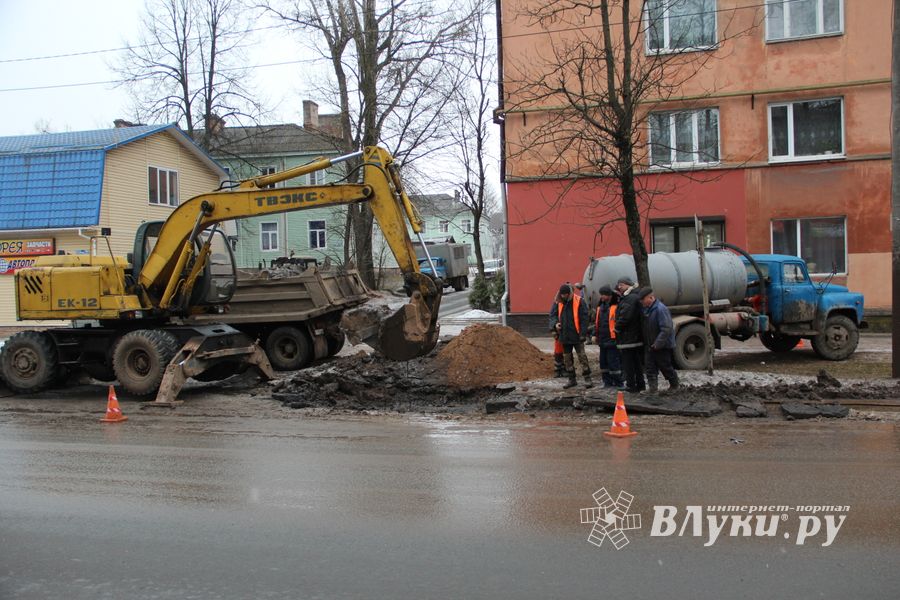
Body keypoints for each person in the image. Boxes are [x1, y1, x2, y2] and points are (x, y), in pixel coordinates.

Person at [549, 284, 593, 389]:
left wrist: (583, 334)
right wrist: (555, 324)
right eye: (562, 294)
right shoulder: (558, 302)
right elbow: (553, 315)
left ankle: (587, 378)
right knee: (567, 359)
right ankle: (571, 379)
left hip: (577, 335)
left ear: (569, 293)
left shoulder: (579, 301)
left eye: (565, 294)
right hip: (564, 335)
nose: (563, 296)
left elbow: (584, 319)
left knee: (582, 357)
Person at [638, 287, 679, 393]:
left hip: (662, 346)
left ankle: (675, 385)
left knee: (665, 366)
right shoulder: (647, 309)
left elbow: (666, 329)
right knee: (650, 367)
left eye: (643, 299)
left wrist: (658, 343)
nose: (641, 302)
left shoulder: (660, 309)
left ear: (650, 298)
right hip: (650, 344)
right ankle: (653, 388)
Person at [614, 277, 646, 393]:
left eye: (621, 285)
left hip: (629, 337)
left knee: (629, 363)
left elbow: (625, 316)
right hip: (633, 336)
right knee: (636, 362)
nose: (619, 287)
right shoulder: (632, 296)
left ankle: (631, 385)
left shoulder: (630, 298)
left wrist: (617, 328)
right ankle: (640, 384)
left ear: (628, 285)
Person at [594, 285, 624, 388]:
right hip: (602, 340)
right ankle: (607, 382)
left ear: (609, 295)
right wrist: (595, 335)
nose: (601, 296)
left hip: (612, 339)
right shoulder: (600, 308)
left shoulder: (615, 307)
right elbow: (597, 323)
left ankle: (618, 383)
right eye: (601, 294)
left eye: (603, 294)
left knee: (613, 363)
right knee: (603, 364)